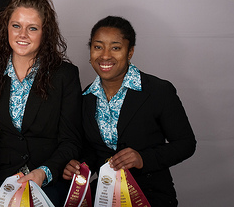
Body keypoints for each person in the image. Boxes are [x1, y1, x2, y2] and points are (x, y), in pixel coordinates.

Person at [63, 16, 196, 207]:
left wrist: (143, 159)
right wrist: (79, 166)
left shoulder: (158, 91)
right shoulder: (85, 97)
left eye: (115, 47)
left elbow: (186, 144)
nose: (105, 55)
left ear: (130, 52)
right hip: (103, 194)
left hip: (150, 193)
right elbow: (92, 150)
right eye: (98, 47)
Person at [0, 0, 83, 206]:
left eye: (32, 28)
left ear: (45, 33)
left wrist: (45, 172)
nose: (23, 34)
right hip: (2, 179)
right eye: (16, 26)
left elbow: (71, 140)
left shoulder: (64, 75)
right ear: (6, 29)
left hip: (49, 179)